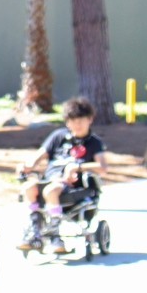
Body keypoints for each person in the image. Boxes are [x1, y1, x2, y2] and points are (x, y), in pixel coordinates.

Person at [14, 97, 109, 253]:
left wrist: (77, 167)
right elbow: (39, 155)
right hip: (50, 178)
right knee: (28, 187)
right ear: (67, 122)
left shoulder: (93, 142)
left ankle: (54, 235)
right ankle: (35, 230)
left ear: (89, 119)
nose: (77, 124)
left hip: (71, 185)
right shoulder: (58, 136)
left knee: (51, 191)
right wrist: (27, 165)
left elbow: (102, 167)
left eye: (81, 120)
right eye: (73, 121)